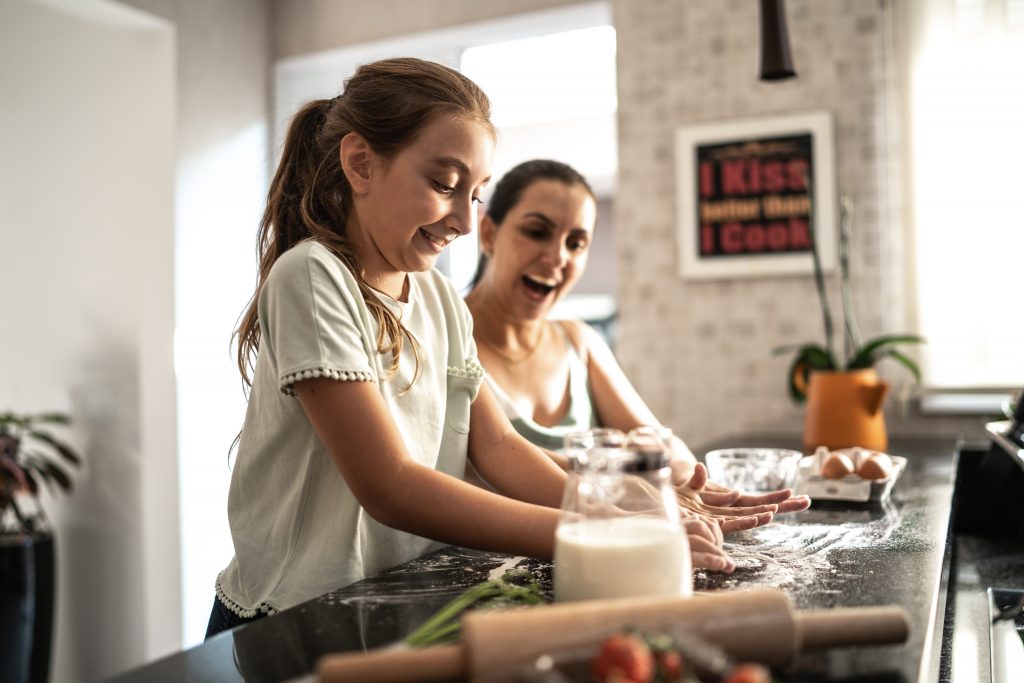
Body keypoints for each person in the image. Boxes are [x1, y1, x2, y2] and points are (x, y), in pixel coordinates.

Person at [208, 60, 734, 639]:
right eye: (443, 184)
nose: (462, 219)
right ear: (360, 164)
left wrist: (625, 514)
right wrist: (596, 535)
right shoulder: (312, 275)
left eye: (476, 194)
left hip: (383, 608)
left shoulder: (437, 296)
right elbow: (390, 485)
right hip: (287, 620)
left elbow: (499, 446)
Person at [464, 159, 810, 526]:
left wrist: (690, 485)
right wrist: (630, 478)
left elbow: (662, 444)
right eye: (536, 232)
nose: (558, 257)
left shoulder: (578, 342)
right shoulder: (448, 335)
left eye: (576, 243)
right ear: (488, 234)